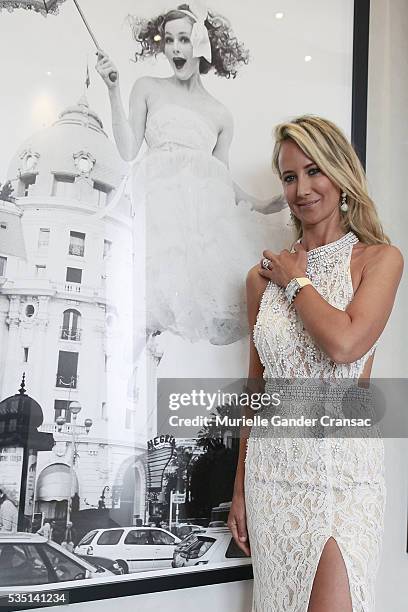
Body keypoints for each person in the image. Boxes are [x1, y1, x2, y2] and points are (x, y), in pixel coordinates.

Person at [228, 115, 404, 611]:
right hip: (272, 475)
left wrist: (296, 282)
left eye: (313, 171)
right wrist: (239, 485)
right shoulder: (258, 280)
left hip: (343, 476)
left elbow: (345, 345)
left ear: (339, 173)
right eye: (289, 177)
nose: (302, 189)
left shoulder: (379, 260)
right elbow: (256, 391)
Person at [96, 2, 286, 350]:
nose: (175, 48)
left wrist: (261, 204)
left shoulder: (221, 115)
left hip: (196, 226)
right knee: (137, 320)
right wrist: (112, 90)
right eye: (169, 40)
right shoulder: (147, 87)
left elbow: (220, 178)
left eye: (184, 39)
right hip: (155, 217)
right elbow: (127, 150)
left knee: (181, 312)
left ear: (202, 45)